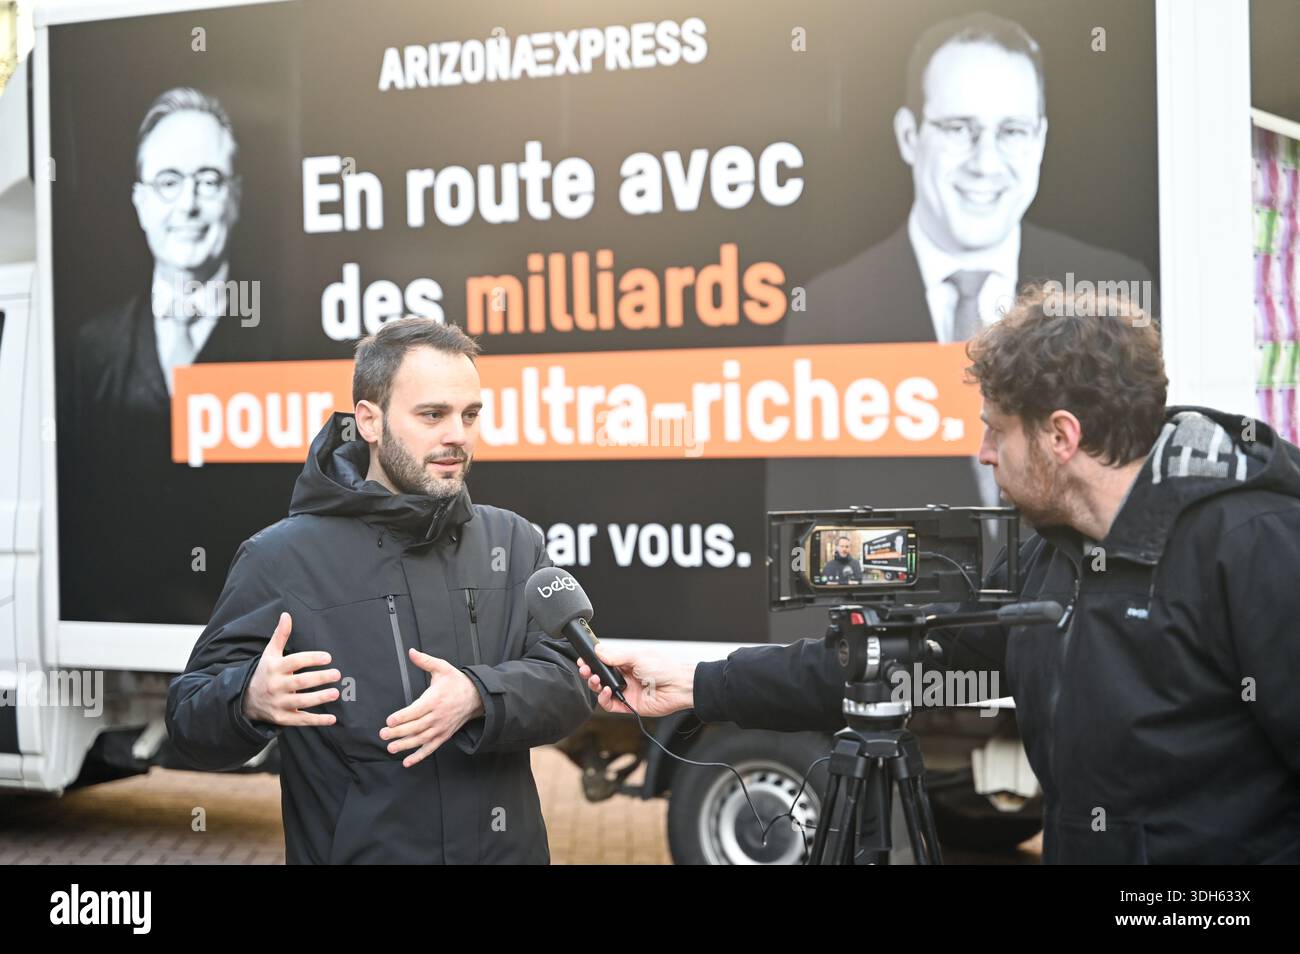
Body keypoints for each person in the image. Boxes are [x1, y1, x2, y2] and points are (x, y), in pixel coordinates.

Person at [584, 284, 1300, 864]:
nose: (983, 451)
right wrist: (694, 683)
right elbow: (896, 666)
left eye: (996, 428)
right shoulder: (1047, 554)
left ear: (1061, 436)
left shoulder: (1253, 545)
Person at [166, 318, 594, 864]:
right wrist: (247, 697)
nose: (457, 435)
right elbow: (186, 719)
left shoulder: (513, 540)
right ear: (369, 420)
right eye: (432, 415)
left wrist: (478, 695)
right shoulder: (281, 559)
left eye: (470, 415)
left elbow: (573, 682)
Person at [771, 12, 1156, 540]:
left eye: (1012, 131)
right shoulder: (827, 309)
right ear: (909, 136)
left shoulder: (1109, 288)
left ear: (1040, 139)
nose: (986, 162)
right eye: (959, 128)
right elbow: (801, 544)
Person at [63, 86, 281, 623]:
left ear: (237, 196)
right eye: (168, 182)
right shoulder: (91, 351)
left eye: (208, 181)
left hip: (258, 635)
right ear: (139, 200)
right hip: (119, 629)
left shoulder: (286, 340)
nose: (187, 204)